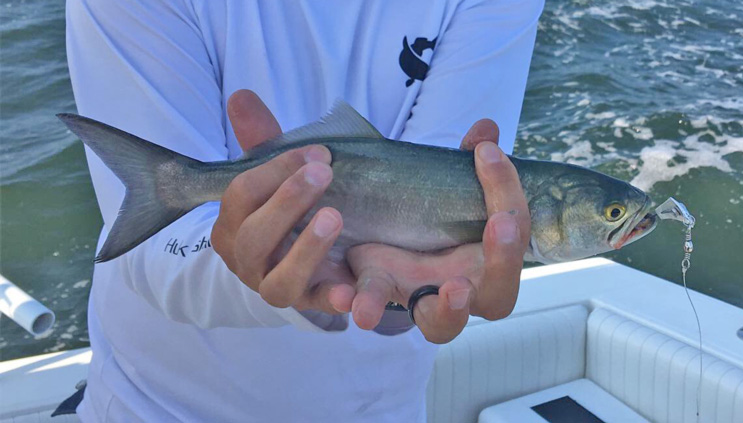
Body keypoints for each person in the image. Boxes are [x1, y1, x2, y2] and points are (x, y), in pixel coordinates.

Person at [65, 0, 544, 421]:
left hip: (384, 409)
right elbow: (152, 252)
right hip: (157, 409)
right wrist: (260, 261)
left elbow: (436, 210)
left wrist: (409, 297)